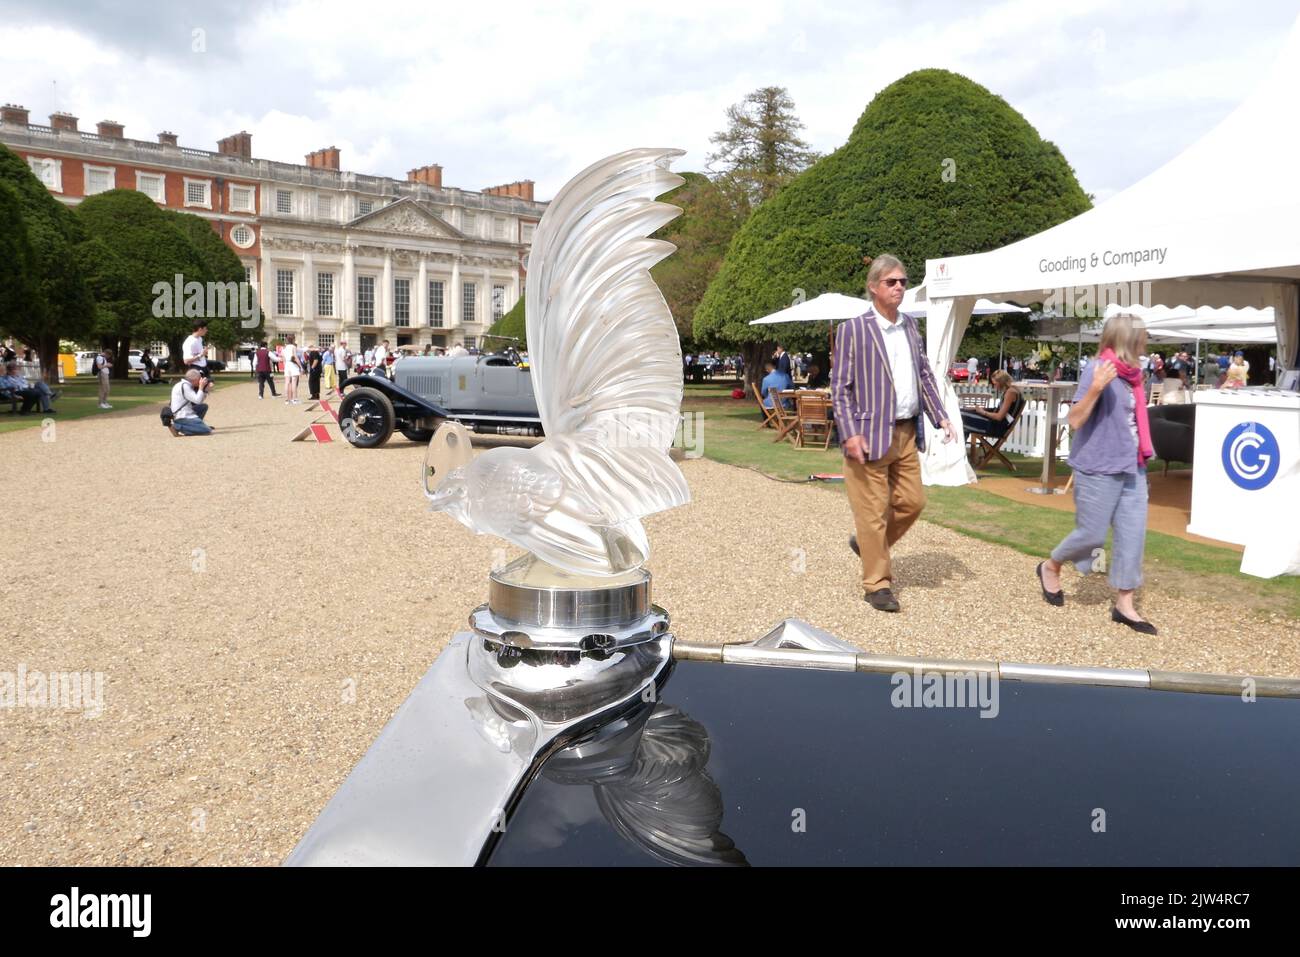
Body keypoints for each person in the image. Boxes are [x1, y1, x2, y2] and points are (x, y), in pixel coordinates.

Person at [832, 254, 957, 613]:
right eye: (891, 282)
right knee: (872, 513)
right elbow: (839, 387)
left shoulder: (910, 327)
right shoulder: (853, 330)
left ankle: (869, 544)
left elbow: (924, 375)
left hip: (905, 433)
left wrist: (941, 416)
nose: (899, 286)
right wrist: (850, 433)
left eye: (902, 281)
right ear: (874, 287)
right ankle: (877, 584)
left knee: (913, 502)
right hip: (867, 435)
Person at [1037, 312, 1157, 634]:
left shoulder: (1134, 375)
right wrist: (1095, 389)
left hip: (1133, 465)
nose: (1146, 341)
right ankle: (1051, 566)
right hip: (1099, 466)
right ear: (1128, 338)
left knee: (1133, 536)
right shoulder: (1097, 369)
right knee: (1091, 536)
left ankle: (1124, 605)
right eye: (1141, 336)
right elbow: (1075, 420)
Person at [961, 369, 1020, 443]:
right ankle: (961, 448)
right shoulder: (1011, 390)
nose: (994, 386)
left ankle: (960, 449)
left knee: (960, 417)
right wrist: (976, 409)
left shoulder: (1010, 392)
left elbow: (999, 417)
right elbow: (997, 410)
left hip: (997, 428)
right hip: (994, 424)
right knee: (962, 412)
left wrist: (983, 412)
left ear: (1002, 382)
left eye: (995, 384)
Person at [168, 369, 214, 436]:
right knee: (207, 430)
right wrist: (201, 387)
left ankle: (194, 426)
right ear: (194, 380)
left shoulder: (184, 385)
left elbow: (199, 401)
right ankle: (177, 427)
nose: (200, 381)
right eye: (199, 379)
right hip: (182, 417)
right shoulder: (185, 386)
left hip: (184, 413)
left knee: (203, 407)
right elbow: (197, 400)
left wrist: (205, 390)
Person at [282, 336, 301, 404]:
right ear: (292, 340)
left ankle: (287, 400)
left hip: (287, 365)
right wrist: (301, 366)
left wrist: (285, 367)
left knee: (287, 382)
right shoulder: (293, 347)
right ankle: (295, 399)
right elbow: (295, 357)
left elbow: (283, 359)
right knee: (294, 382)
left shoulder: (284, 348)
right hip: (292, 365)